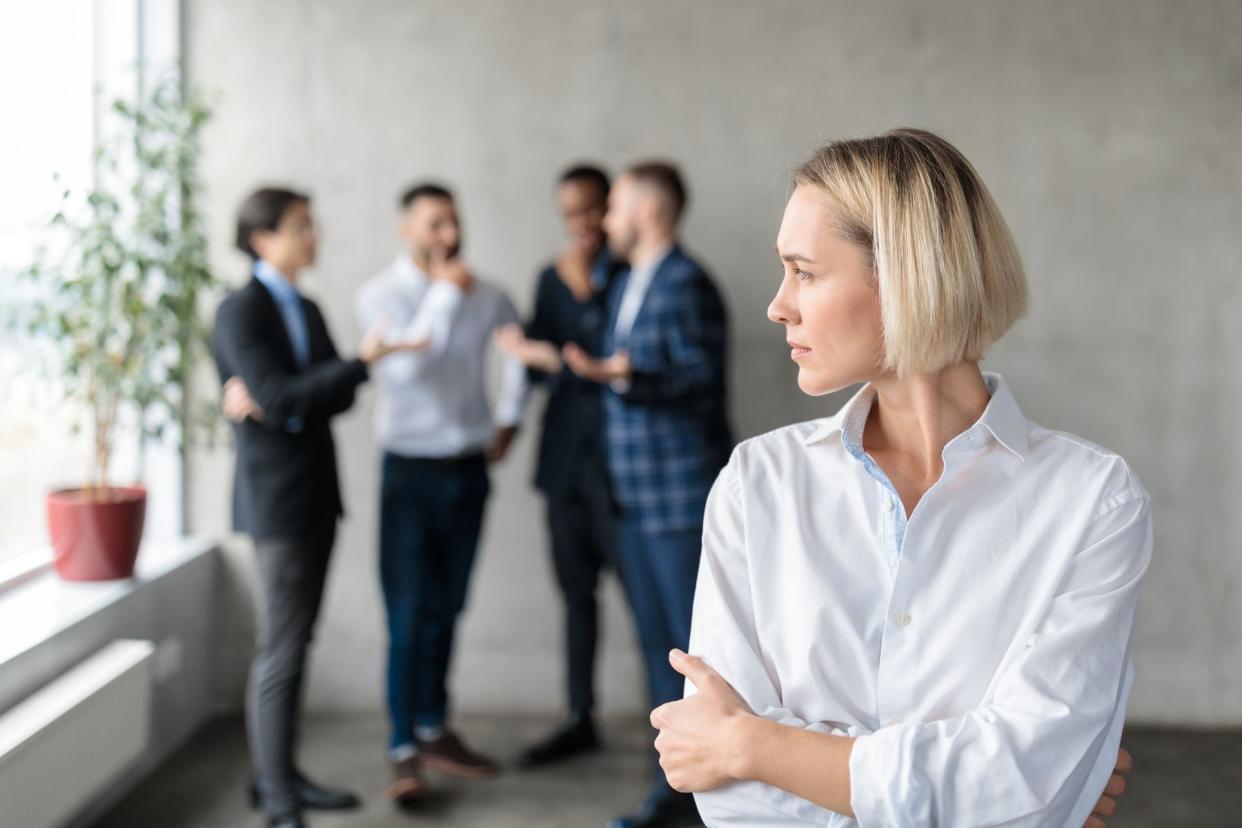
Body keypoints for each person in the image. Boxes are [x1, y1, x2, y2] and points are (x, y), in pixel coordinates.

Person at [648, 129, 1147, 827]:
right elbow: (738, 806)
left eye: (805, 271)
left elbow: (1029, 779)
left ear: (906, 274)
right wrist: (990, 798)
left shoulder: (1094, 500)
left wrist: (754, 744)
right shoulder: (757, 484)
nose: (777, 305)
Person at [213, 187, 423, 828]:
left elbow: (328, 398)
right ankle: (277, 799)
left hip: (315, 496)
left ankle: (279, 777)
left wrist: (304, 393)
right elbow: (284, 397)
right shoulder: (238, 311)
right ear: (262, 238)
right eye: (301, 227)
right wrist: (342, 371)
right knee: (280, 647)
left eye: (312, 225)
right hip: (276, 502)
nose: (314, 236)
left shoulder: (304, 304)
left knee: (297, 640)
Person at [561, 161, 732, 828]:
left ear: (649, 211)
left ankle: (702, 798)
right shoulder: (632, 278)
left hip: (679, 498)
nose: (603, 221)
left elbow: (700, 379)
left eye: (615, 208)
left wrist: (628, 375)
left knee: (695, 656)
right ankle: (677, 788)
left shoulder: (688, 282)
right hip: (631, 498)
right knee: (657, 648)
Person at [355, 182, 528, 804]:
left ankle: (433, 728)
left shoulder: (490, 294)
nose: (448, 237)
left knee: (448, 607)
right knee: (408, 615)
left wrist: (510, 419)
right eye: (434, 225)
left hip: (467, 472)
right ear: (407, 229)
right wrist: (444, 299)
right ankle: (403, 747)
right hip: (408, 473)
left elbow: (517, 353)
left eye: (453, 223)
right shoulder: (380, 297)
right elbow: (404, 370)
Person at [493, 164, 621, 767]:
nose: (583, 225)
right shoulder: (549, 277)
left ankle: (673, 734)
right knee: (575, 598)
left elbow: (616, 360)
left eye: (592, 210)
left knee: (655, 605)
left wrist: (585, 298)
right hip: (565, 463)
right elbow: (533, 362)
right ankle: (578, 716)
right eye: (571, 214)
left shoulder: (632, 271)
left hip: (625, 469)